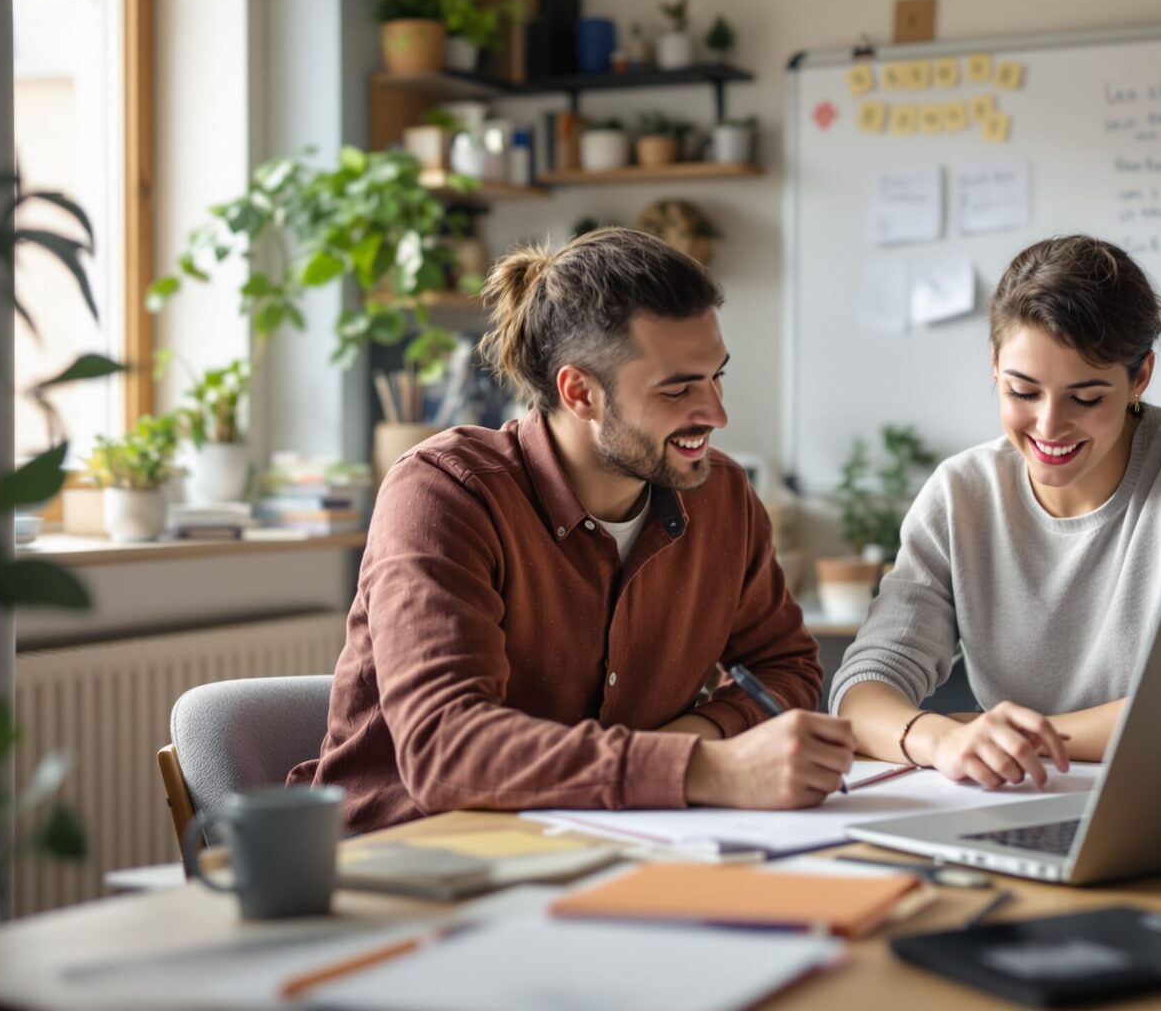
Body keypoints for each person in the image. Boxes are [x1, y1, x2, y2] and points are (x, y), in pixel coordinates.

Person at [290, 228, 851, 832]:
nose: (716, 413)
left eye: (717, 376)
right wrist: (702, 769)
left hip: (618, 842)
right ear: (579, 391)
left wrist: (699, 738)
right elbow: (445, 748)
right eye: (679, 387)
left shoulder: (722, 497)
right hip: (414, 859)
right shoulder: (445, 493)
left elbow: (784, 668)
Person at [830, 234, 1161, 790]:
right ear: (996, 365)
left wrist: (1011, 739)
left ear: (1139, 377)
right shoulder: (961, 493)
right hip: (1019, 799)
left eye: (1087, 398)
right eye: (1023, 392)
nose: (1048, 428)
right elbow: (862, 692)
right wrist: (943, 739)